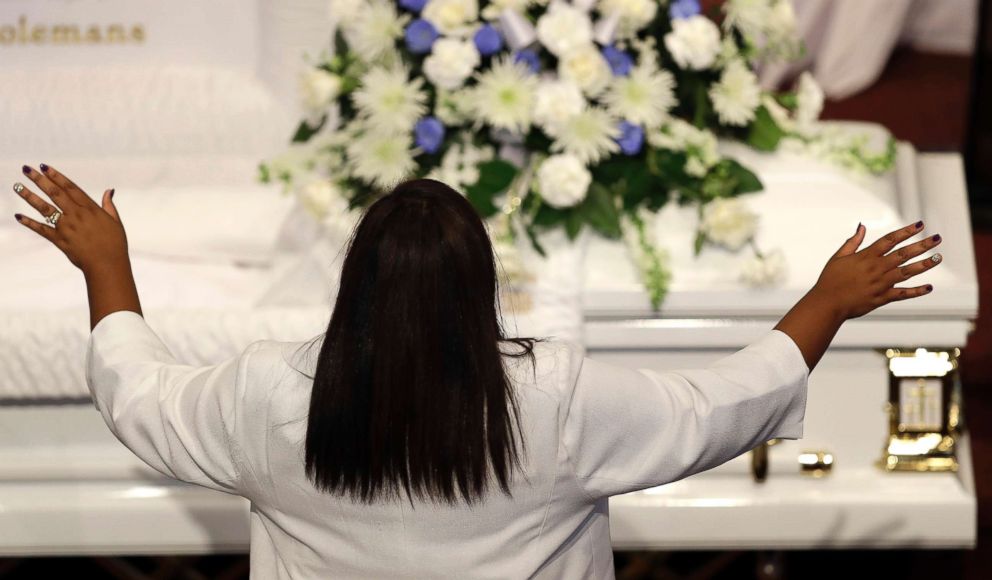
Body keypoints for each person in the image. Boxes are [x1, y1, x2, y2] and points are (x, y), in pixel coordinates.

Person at [11, 165, 943, 579]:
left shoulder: (267, 397)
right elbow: (716, 408)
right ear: (483, 289)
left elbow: (139, 395)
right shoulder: (556, 402)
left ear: (353, 286)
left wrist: (107, 267)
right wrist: (827, 300)